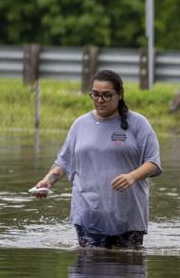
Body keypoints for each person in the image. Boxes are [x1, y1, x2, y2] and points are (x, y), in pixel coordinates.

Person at [31, 70, 161, 249]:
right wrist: (48, 180)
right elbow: (64, 162)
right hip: (87, 213)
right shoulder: (80, 124)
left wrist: (132, 176)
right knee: (88, 267)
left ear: (119, 95)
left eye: (107, 95)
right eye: (95, 95)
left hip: (128, 216)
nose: (100, 100)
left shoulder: (138, 124)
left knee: (127, 270)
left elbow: (153, 163)